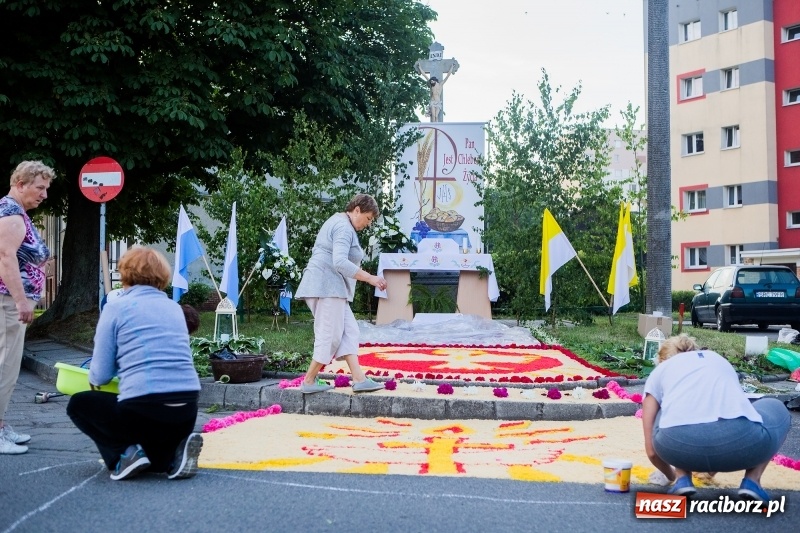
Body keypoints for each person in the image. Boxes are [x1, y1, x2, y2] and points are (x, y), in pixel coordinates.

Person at [66, 247, 203, 480]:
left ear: (125, 274)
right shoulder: (174, 309)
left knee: (79, 404)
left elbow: (99, 376)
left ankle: (124, 454)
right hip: (187, 408)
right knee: (155, 463)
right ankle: (173, 456)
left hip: (144, 407)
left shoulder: (115, 308)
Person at [642, 334, 791, 501]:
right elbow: (729, 410)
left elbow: (652, 452)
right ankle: (752, 480)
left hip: (679, 449)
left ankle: (681, 478)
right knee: (775, 407)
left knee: (668, 410)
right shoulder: (717, 360)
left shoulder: (661, 371)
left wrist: (669, 476)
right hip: (743, 448)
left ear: (662, 360)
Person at [294, 193, 387, 394]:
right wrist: (370, 278)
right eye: (368, 218)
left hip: (331, 288)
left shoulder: (342, 223)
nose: (368, 223)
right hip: (326, 287)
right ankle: (309, 380)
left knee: (349, 331)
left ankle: (359, 378)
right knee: (330, 335)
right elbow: (340, 262)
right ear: (357, 210)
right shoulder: (344, 227)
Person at [0, 161, 55, 455]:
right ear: (21, 183)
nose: (44, 194)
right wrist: (21, 301)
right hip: (7, 301)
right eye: (40, 188)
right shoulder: (10, 214)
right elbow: (5, 259)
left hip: (10, 300)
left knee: (8, 365)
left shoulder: (15, 212)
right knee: (4, 365)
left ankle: (1, 424)